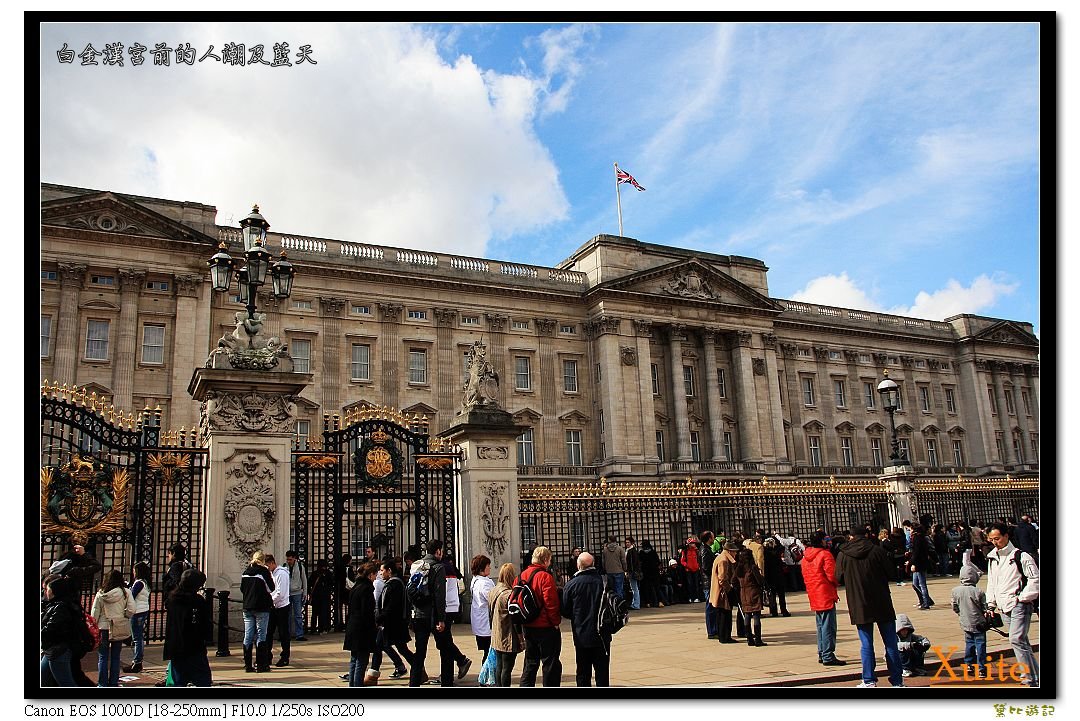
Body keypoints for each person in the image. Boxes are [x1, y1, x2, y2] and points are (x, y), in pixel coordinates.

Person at [836, 526, 904, 688]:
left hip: (859, 602)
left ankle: (869, 680)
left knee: (866, 643)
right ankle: (897, 680)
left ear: (851, 537)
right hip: (881, 600)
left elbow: (837, 577)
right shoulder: (877, 551)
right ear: (866, 535)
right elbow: (891, 573)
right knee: (890, 643)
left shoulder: (843, 554)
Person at [985, 522, 1040, 687]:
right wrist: (990, 604)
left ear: (1006, 536)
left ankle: (1029, 677)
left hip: (1019, 604)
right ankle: (1035, 675)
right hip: (1003, 606)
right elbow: (992, 582)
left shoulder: (1021, 556)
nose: (995, 542)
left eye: (997, 538)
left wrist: (1022, 598)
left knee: (1016, 639)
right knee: (1021, 641)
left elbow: (1035, 579)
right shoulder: (992, 558)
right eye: (991, 539)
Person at [408, 539, 464, 687]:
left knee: (419, 652)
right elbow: (440, 595)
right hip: (433, 615)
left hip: (419, 615)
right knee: (445, 648)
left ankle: (413, 684)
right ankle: (447, 682)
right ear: (438, 551)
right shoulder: (439, 567)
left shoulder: (417, 565)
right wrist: (441, 619)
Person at [561, 552, 612, 686]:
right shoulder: (604, 582)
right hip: (602, 633)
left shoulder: (571, 584)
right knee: (602, 671)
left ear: (578, 565)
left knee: (583, 672)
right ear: (593, 564)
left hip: (581, 633)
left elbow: (565, 611)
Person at [518, 545, 563, 687]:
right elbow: (551, 603)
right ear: (545, 560)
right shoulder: (545, 577)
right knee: (550, 663)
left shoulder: (520, 576)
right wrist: (555, 622)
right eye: (549, 560)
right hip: (545, 626)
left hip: (527, 625)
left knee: (530, 662)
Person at [801, 530, 845, 666]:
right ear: (821, 541)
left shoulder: (806, 556)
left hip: (813, 591)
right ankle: (827, 654)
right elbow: (832, 575)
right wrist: (838, 582)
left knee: (820, 625)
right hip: (825, 592)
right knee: (828, 626)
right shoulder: (825, 555)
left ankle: (822, 652)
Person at [163, 568, 212, 687]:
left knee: (179, 680)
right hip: (194, 647)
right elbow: (205, 624)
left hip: (176, 646)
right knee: (203, 680)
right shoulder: (197, 601)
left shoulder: (172, 599)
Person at [91, 569, 136, 686]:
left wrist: (95, 624)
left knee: (103, 657)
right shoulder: (126, 592)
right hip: (118, 625)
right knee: (116, 656)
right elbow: (132, 609)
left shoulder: (101, 593)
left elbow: (95, 612)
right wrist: (125, 616)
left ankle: (102, 683)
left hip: (103, 626)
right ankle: (114, 682)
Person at [372, 559, 414, 680]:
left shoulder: (394, 584)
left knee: (401, 648)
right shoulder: (392, 583)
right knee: (379, 645)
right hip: (390, 622)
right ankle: (374, 673)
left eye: (382, 570)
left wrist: (380, 618)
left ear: (389, 571)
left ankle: (417, 668)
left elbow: (391, 606)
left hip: (394, 623)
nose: (380, 573)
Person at [40, 575, 85, 687]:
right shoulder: (56, 604)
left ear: (55, 591)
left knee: (66, 683)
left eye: (48, 589)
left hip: (58, 649)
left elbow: (51, 628)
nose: (46, 592)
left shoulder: (61, 607)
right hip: (52, 649)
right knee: (43, 679)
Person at [488, 562, 524, 687]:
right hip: (508, 635)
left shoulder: (494, 590)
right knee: (506, 668)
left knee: (499, 666)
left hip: (497, 633)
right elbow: (515, 619)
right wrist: (521, 638)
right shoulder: (508, 594)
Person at [343, 561, 378, 687]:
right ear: (370, 575)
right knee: (361, 661)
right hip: (362, 628)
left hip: (353, 625)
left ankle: (352, 685)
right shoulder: (367, 589)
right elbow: (367, 612)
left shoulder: (356, 587)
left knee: (354, 659)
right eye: (375, 574)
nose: (376, 577)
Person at [951, 563, 988, 678]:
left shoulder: (955, 591)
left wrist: (960, 614)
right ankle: (982, 667)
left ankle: (969, 664)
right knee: (980, 645)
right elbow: (984, 607)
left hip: (965, 621)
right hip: (979, 622)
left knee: (969, 643)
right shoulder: (979, 591)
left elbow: (954, 606)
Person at [240, 550, 275, 673]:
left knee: (248, 635)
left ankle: (248, 665)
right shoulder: (263, 571)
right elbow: (271, 588)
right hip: (262, 607)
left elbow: (242, 589)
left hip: (248, 607)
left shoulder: (246, 572)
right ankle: (261, 664)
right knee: (261, 635)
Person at [733, 548, 767, 647]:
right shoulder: (752, 567)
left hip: (743, 592)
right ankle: (758, 639)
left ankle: (749, 639)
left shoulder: (738, 568)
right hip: (753, 591)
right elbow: (760, 581)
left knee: (747, 615)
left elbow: (733, 580)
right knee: (756, 615)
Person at [709, 540, 740, 644]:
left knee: (721, 614)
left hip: (719, 590)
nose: (736, 554)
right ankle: (725, 636)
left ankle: (723, 636)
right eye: (734, 551)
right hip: (722, 592)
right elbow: (722, 578)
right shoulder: (724, 560)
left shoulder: (721, 557)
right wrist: (729, 589)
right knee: (725, 614)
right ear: (730, 551)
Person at [124, 561, 152, 673]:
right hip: (143, 610)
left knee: (137, 638)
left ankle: (137, 662)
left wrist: (126, 588)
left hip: (138, 611)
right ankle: (137, 661)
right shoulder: (145, 582)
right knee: (137, 637)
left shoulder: (139, 583)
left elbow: (131, 596)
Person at [266, 554, 292, 668]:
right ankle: (267, 655)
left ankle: (285, 657)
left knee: (283, 633)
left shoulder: (281, 573)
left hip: (282, 607)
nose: (267, 568)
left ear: (272, 563)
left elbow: (280, 593)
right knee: (268, 632)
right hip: (273, 606)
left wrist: (269, 600)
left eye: (267, 566)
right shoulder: (272, 573)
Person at [470, 554, 496, 664]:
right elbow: (492, 598)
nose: (490, 568)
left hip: (480, 621)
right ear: (482, 568)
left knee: (488, 651)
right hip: (486, 622)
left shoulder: (476, 580)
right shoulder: (484, 583)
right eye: (488, 565)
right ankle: (486, 676)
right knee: (489, 652)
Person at [908, 525, 935, 610]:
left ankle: (926, 602)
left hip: (919, 563)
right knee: (915, 583)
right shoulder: (921, 537)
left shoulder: (917, 538)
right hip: (920, 562)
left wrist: (912, 563)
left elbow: (916, 552)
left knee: (921, 584)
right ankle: (927, 599)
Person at [285, 550, 309, 642]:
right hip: (287, 594)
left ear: (294, 558)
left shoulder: (300, 566)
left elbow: (304, 580)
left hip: (297, 593)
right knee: (287, 615)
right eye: (287, 559)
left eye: (290, 559)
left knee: (298, 615)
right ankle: (287, 634)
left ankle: (299, 634)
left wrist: (305, 593)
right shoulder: (284, 567)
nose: (288, 561)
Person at [698, 531, 718, 637]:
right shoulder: (704, 550)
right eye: (712, 536)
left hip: (708, 581)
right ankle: (712, 630)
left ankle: (714, 629)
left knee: (712, 606)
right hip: (708, 582)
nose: (714, 538)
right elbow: (706, 567)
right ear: (709, 538)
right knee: (710, 606)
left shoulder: (706, 548)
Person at [762, 537, 789, 617]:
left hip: (770, 576)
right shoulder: (778, 551)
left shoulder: (765, 552)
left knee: (772, 594)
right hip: (779, 575)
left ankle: (774, 611)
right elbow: (781, 547)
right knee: (781, 594)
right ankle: (784, 610)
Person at [307, 559, 333, 635]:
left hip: (318, 596)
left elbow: (309, 584)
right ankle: (320, 628)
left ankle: (315, 628)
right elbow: (331, 584)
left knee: (317, 613)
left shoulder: (316, 573)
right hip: (322, 596)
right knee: (321, 613)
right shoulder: (326, 573)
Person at [639, 540, 663, 608]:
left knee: (646, 588)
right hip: (654, 572)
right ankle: (660, 602)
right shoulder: (653, 552)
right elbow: (658, 562)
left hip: (646, 572)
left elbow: (640, 562)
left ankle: (648, 602)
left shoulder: (641, 553)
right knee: (657, 588)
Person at [336, 553, 354, 632]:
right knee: (348, 608)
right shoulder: (349, 568)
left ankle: (340, 624)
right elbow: (352, 579)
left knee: (340, 607)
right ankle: (347, 624)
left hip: (341, 589)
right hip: (348, 590)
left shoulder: (339, 567)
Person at [624, 537, 642, 610]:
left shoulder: (631, 551)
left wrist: (628, 571)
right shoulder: (630, 550)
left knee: (634, 588)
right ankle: (634, 603)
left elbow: (632, 563)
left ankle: (636, 604)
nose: (627, 544)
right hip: (632, 571)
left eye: (628, 542)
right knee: (634, 588)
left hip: (632, 572)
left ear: (632, 543)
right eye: (626, 542)